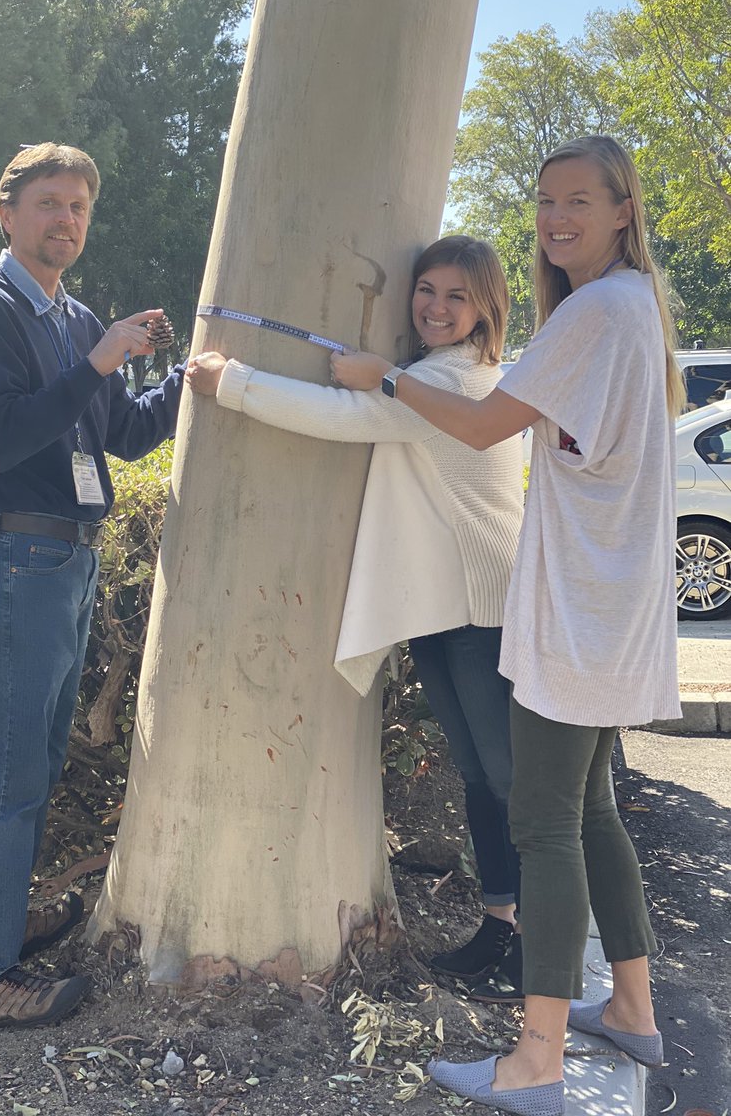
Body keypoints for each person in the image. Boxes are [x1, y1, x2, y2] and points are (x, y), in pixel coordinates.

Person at [331, 136, 683, 1116]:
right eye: (544, 200)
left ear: (623, 210)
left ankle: (536, 1058)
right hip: (611, 605)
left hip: (580, 611)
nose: (555, 215)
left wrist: (383, 375)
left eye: (579, 199)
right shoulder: (633, 306)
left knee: (542, 826)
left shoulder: (594, 309)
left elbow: (484, 424)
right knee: (593, 815)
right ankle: (635, 1014)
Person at [186, 235, 525, 995]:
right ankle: (502, 925)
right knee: (478, 776)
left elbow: (342, 415)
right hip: (445, 608)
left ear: (486, 309)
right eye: (427, 290)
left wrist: (233, 381)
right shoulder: (428, 377)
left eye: (456, 296)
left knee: (509, 780)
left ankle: (539, 938)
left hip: (486, 608)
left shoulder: (457, 382)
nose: (436, 307)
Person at [0, 143, 184, 1031]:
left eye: (78, 205)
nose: (65, 219)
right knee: (6, 777)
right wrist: (102, 359)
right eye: (48, 203)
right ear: (7, 214)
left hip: (69, 561)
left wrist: (190, 379)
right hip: (13, 565)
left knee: (32, 766)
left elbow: (126, 435)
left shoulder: (75, 320)